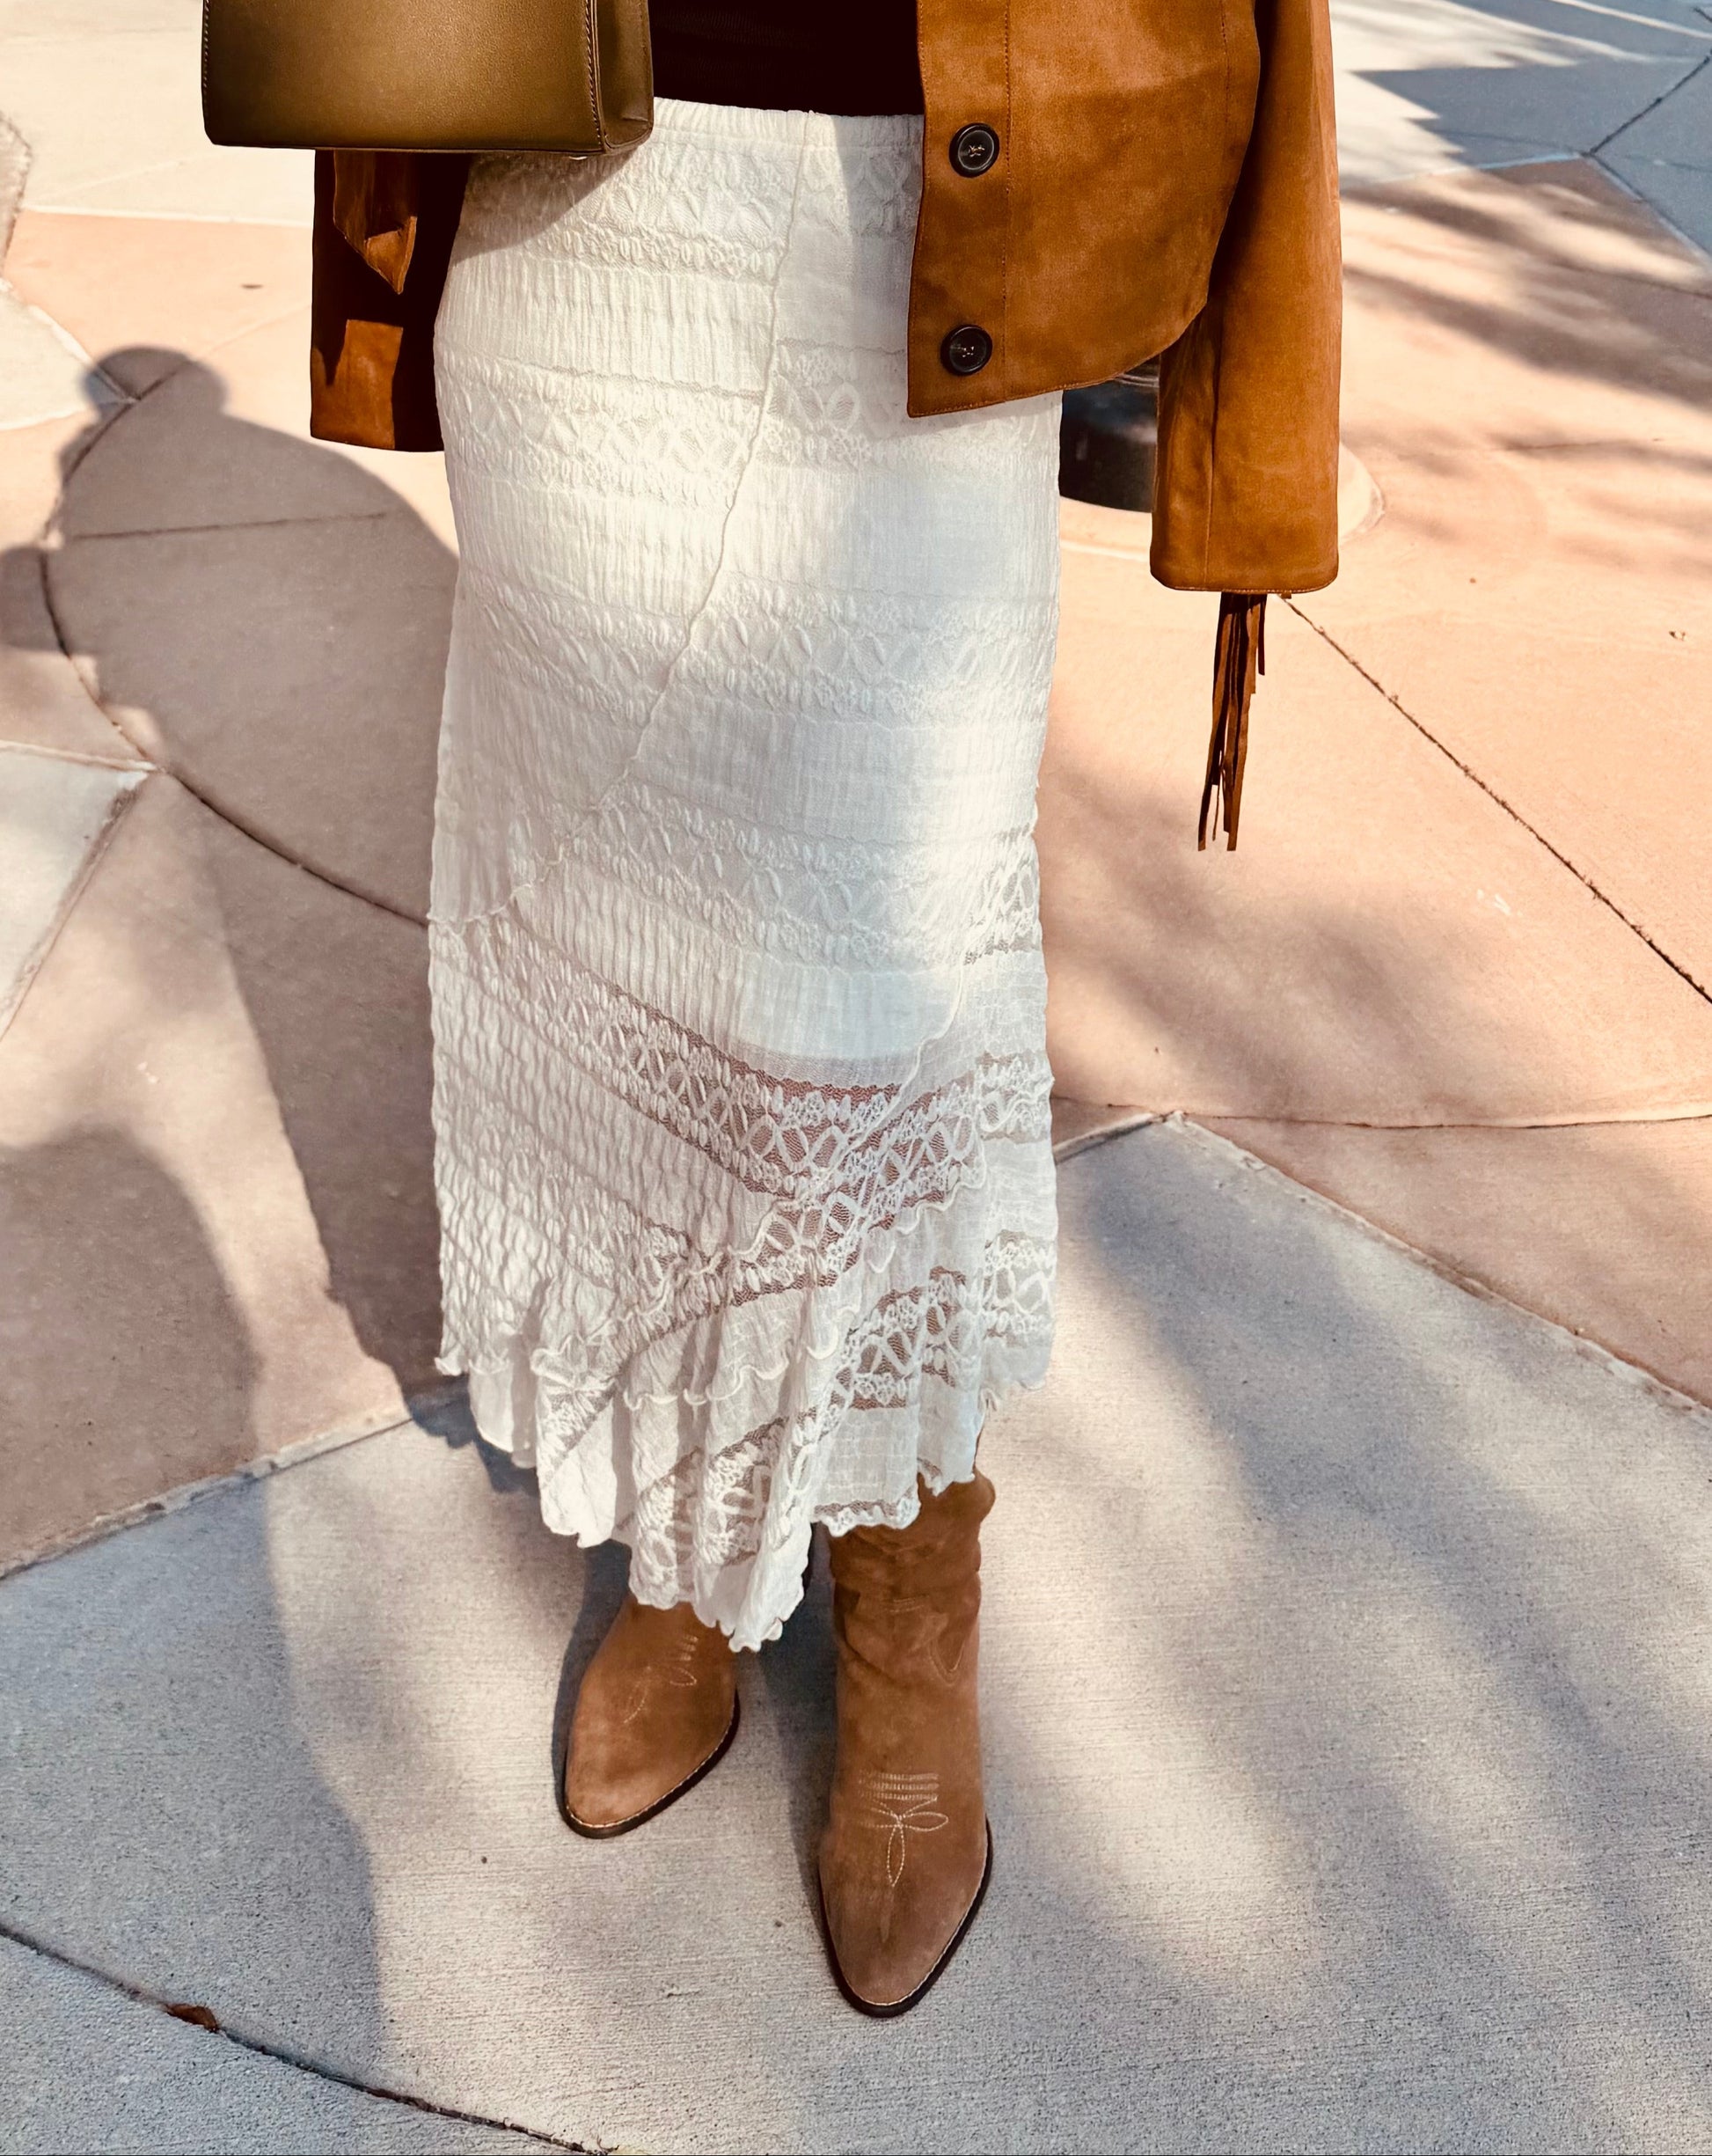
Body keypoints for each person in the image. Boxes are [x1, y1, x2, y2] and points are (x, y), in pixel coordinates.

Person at [307, 0, 1339, 2016]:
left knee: (875, 998)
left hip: (932, 224)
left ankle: (903, 1600)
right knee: (608, 934)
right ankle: (688, 1536)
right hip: (572, 209)